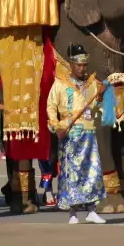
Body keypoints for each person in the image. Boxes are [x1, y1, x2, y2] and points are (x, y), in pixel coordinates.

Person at [46, 44, 106, 223]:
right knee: (71, 172)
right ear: (71, 64)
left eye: (84, 65)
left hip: (88, 132)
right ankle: (72, 212)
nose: (81, 68)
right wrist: (56, 126)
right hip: (70, 132)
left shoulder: (93, 84)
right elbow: (51, 106)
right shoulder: (61, 84)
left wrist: (101, 96)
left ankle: (92, 210)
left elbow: (97, 109)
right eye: (78, 65)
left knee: (91, 170)